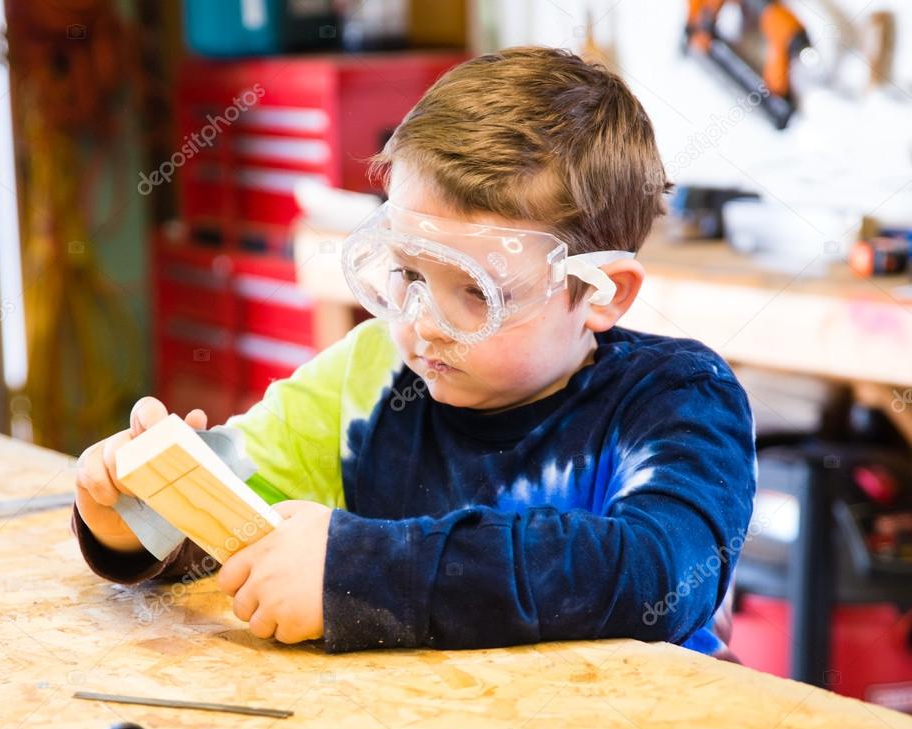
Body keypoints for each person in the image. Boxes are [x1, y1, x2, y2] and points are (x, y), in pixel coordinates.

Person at [73, 47, 756, 656]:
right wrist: (140, 517)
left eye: (475, 292)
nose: (423, 324)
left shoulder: (676, 401)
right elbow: (239, 521)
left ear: (602, 294)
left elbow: (655, 574)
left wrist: (361, 574)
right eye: (407, 274)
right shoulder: (371, 376)